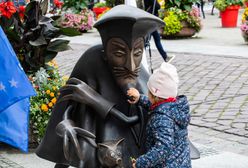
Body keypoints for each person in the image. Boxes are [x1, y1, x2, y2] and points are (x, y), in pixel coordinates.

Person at [36, 5, 165, 168]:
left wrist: (96, 100)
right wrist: (66, 124)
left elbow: (136, 119)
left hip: (125, 149)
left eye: (137, 53)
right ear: (106, 53)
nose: (131, 66)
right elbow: (70, 104)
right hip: (101, 142)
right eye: (119, 54)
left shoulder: (140, 78)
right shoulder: (91, 61)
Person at [127, 62, 192, 168]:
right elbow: (158, 107)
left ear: (153, 95)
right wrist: (140, 98)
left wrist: (140, 163)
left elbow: (162, 149)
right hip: (182, 163)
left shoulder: (161, 119)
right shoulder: (174, 107)